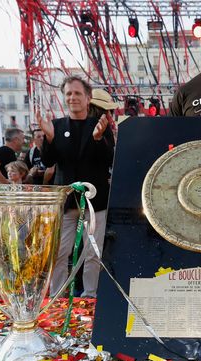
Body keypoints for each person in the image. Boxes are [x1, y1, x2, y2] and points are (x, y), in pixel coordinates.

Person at [36, 76, 115, 298]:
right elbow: (48, 162)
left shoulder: (99, 125)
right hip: (67, 202)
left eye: (77, 93)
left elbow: (110, 159)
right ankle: (57, 295)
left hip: (95, 202)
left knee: (93, 253)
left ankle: (91, 294)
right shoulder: (57, 126)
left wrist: (99, 138)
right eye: (69, 93)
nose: (73, 97)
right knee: (60, 252)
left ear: (88, 98)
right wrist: (48, 139)